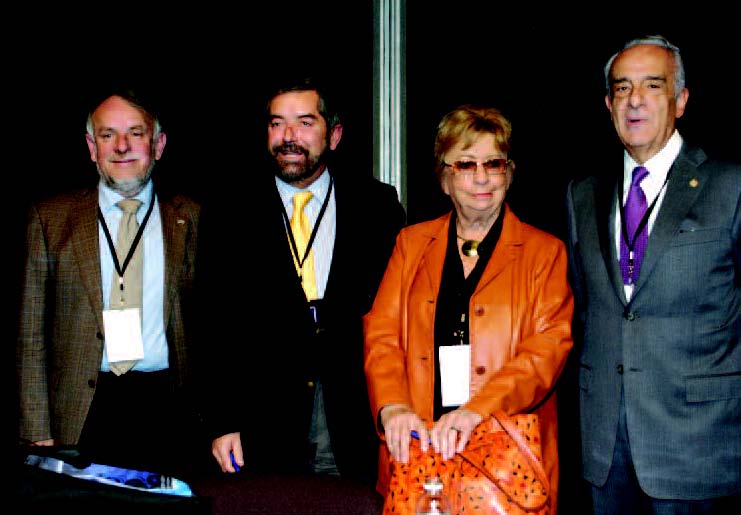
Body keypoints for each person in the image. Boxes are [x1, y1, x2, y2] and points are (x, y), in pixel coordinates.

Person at [364, 104, 574, 513]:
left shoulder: (545, 252)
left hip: (506, 463)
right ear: (444, 178)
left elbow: (546, 352)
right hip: (419, 452)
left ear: (509, 174)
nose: (481, 177)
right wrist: (392, 406)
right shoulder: (410, 245)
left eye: (493, 164)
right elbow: (382, 335)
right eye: (465, 164)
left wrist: (478, 411)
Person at [198, 76, 405, 484]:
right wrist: (222, 420)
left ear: (335, 135)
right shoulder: (229, 209)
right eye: (277, 123)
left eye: (305, 123)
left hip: (354, 420)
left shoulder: (377, 206)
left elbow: (399, 320)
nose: (289, 136)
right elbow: (211, 320)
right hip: (261, 423)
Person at [566, 35, 741, 513]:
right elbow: (585, 312)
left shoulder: (730, 185)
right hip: (606, 450)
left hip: (699, 446)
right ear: (608, 105)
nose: (635, 100)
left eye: (652, 85)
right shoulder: (583, 194)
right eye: (622, 88)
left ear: (680, 100)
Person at [16, 87, 203, 477]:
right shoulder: (50, 219)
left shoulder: (191, 219)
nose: (121, 146)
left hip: (167, 409)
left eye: (135, 133)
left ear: (158, 145)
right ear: (91, 147)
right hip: (81, 411)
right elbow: (31, 335)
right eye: (107, 135)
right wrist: (36, 431)